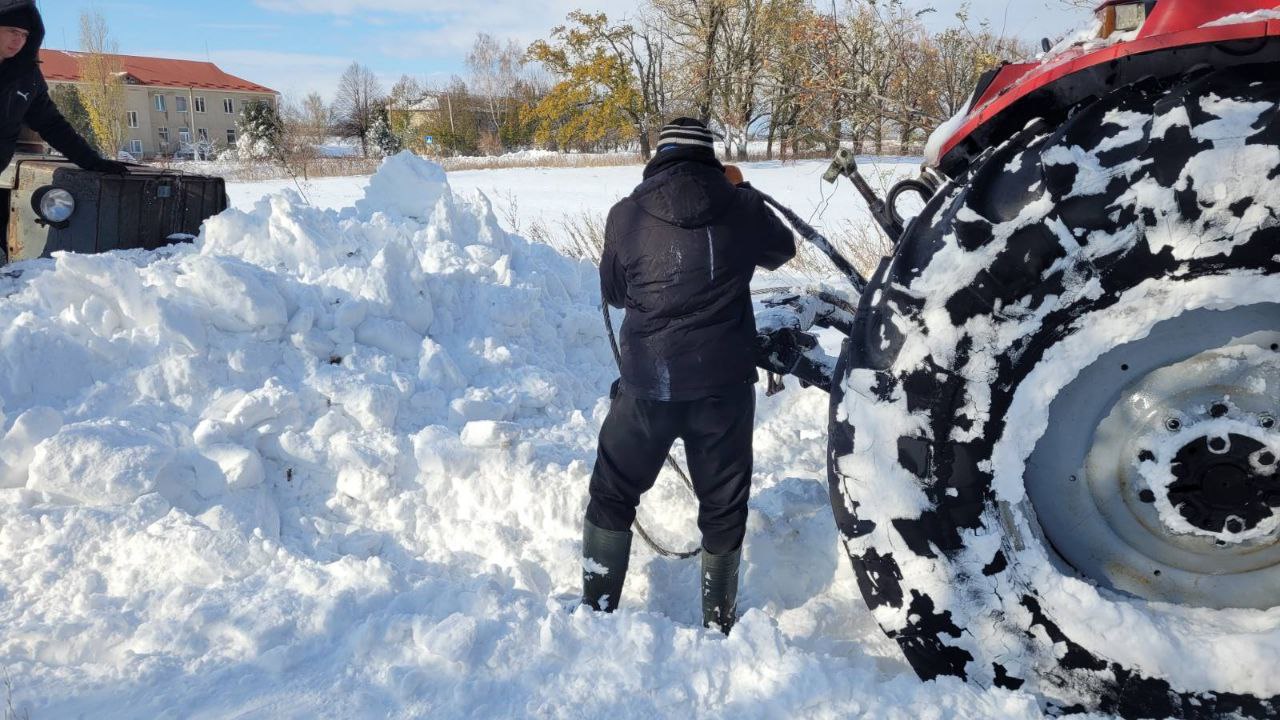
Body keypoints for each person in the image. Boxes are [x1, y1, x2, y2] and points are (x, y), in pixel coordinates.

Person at [582, 117, 796, 635]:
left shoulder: (627, 214)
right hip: (723, 388)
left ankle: (597, 612)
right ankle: (718, 622)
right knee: (723, 506)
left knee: (613, 492)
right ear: (710, 158)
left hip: (647, 387)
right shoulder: (739, 206)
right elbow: (781, 250)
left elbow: (613, 291)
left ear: (658, 158)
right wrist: (742, 192)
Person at [0, 0, 127, 174]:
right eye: (12, 31)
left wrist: (92, 162)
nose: (18, 40)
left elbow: (51, 124)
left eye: (24, 35)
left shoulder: (27, 77)